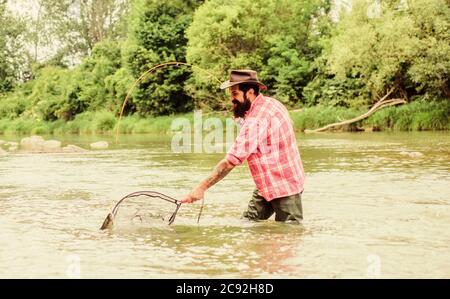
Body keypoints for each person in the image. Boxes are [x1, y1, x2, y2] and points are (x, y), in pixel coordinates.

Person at [181, 70, 305, 223]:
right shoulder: (271, 103)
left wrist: (201, 188)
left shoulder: (257, 119)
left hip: (285, 186)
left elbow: (230, 161)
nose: (231, 100)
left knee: (290, 233)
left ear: (250, 92)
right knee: (248, 223)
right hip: (266, 183)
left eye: (235, 94)